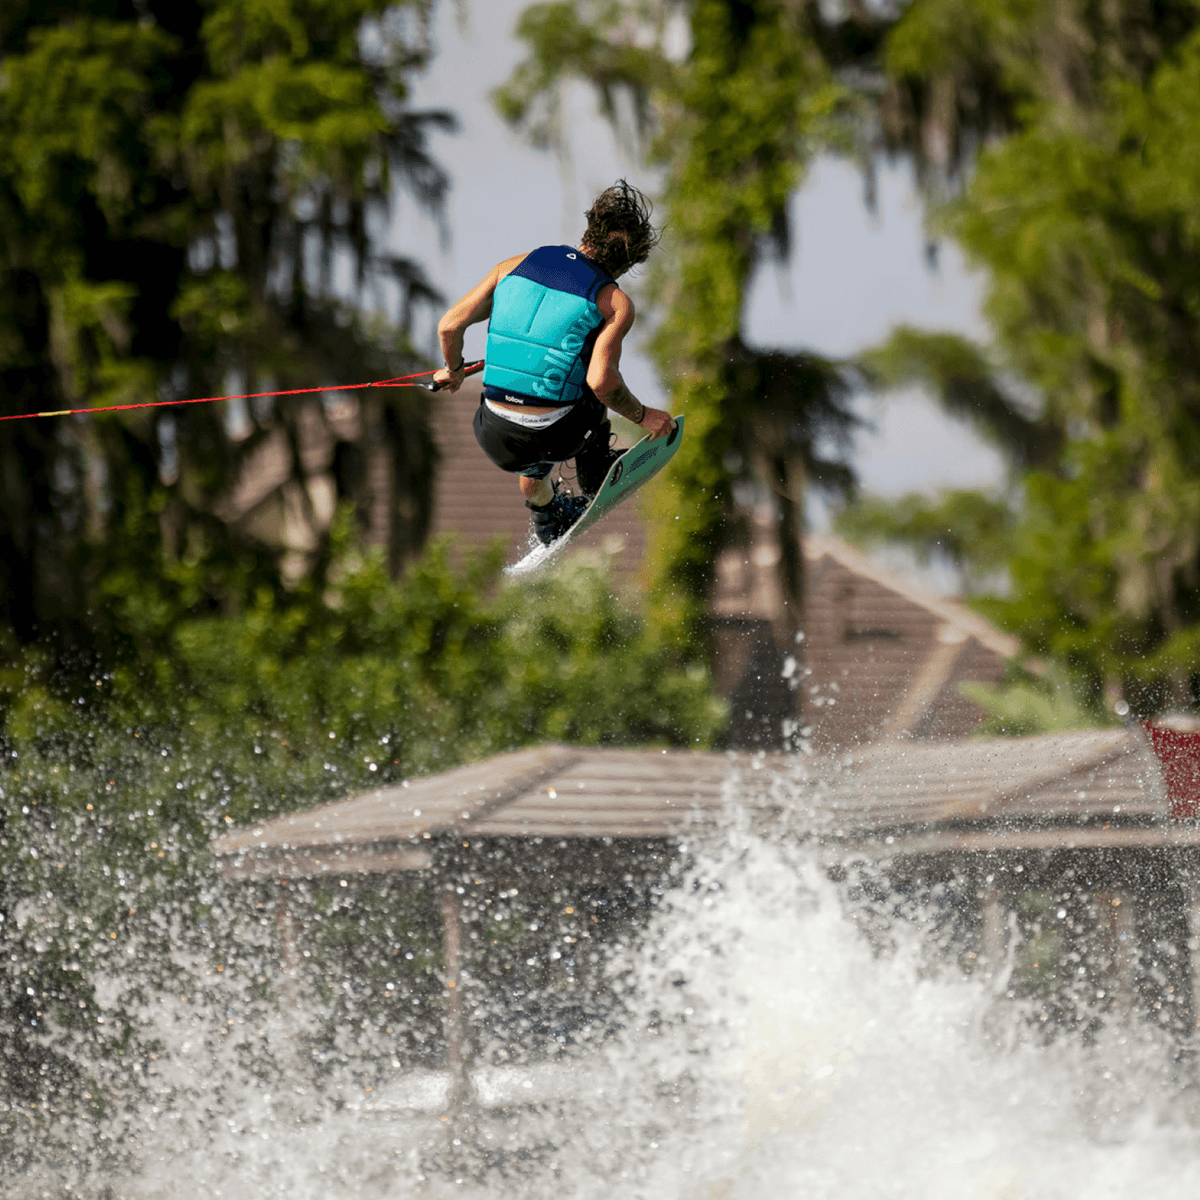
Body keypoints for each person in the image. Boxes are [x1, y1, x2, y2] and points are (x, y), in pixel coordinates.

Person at [432, 181, 677, 545]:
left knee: (536, 425)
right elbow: (601, 382)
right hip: (558, 434)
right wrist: (645, 416)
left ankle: (546, 515)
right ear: (626, 256)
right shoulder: (613, 300)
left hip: (492, 435)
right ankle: (595, 475)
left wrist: (453, 371)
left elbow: (450, 325)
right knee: (579, 390)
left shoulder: (512, 266)